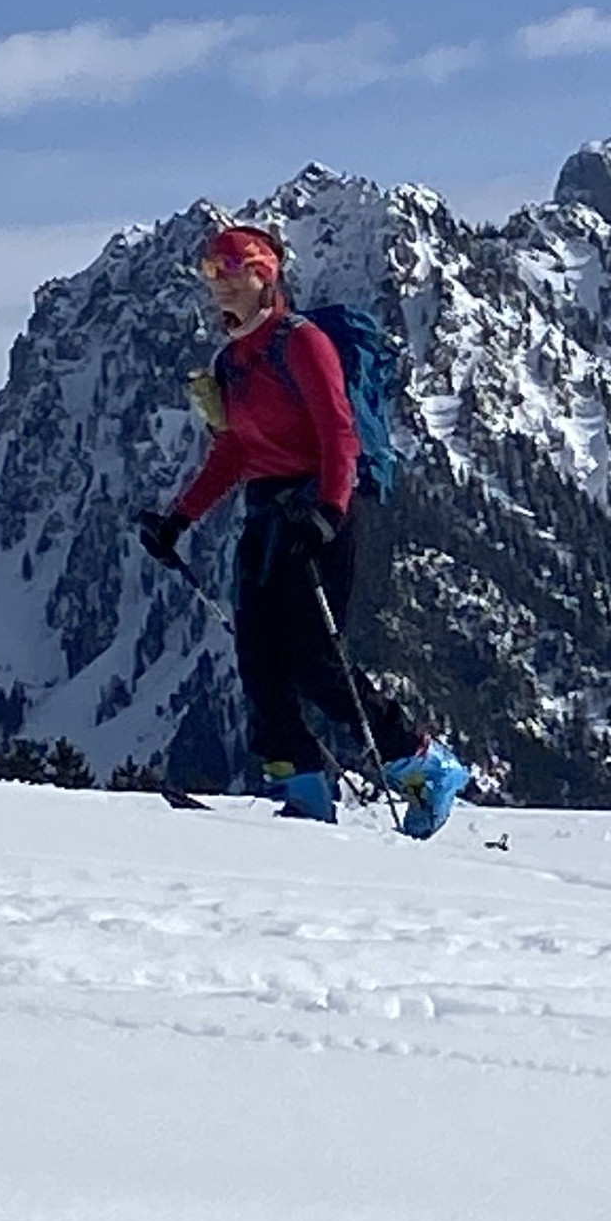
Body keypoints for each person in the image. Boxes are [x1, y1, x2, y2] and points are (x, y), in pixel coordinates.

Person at [134, 223, 468, 838]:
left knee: (314, 659)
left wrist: (331, 511)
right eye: (210, 272)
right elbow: (232, 453)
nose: (216, 285)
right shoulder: (232, 361)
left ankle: (421, 761)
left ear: (264, 275)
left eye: (227, 271)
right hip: (268, 514)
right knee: (259, 660)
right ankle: (304, 790)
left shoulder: (302, 343)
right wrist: (178, 521)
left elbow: (338, 433)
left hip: (316, 510)